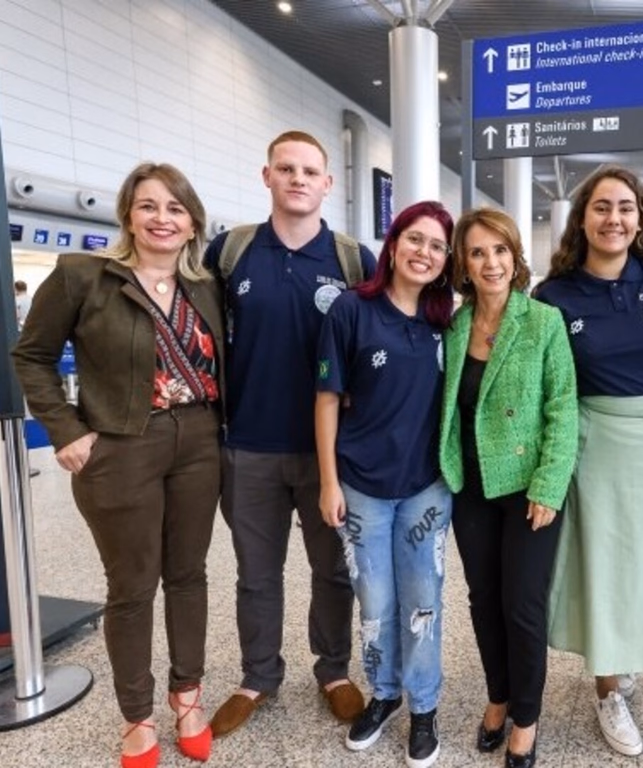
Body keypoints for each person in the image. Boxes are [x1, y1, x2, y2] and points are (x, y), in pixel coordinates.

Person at [13, 162, 224, 768]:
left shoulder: (204, 285)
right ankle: (137, 716)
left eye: (176, 209)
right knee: (131, 587)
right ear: (128, 213)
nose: (163, 218)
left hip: (201, 440)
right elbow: (32, 356)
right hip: (121, 447)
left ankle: (189, 696)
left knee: (188, 575)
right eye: (149, 206)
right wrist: (66, 431)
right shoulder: (85, 277)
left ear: (192, 224)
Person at [206, 131, 377, 738]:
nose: (298, 179)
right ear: (267, 176)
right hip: (248, 445)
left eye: (310, 170)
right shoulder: (231, 253)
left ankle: (332, 670)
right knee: (257, 572)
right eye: (287, 168)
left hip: (329, 452)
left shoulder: (355, 261)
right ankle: (258, 676)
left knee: (333, 570)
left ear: (328, 183)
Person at [534, 166, 643, 758]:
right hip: (595, 444)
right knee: (605, 564)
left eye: (626, 208)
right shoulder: (553, 295)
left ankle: (629, 654)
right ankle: (607, 687)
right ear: (582, 219)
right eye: (602, 207)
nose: (614, 219)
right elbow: (543, 383)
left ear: (642, 218)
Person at [315, 201, 454, 768]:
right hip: (363, 486)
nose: (425, 252)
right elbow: (326, 400)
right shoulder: (352, 311)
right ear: (393, 245)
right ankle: (386, 693)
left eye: (437, 246)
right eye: (415, 240)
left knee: (423, 602)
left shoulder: (447, 321)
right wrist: (328, 481)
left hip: (426, 486)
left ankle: (423, 705)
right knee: (375, 603)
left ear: (445, 261)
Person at [439, 208, 578, 768]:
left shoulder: (543, 321)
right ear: (463, 265)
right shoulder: (452, 327)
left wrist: (549, 484)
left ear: (514, 256)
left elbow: (563, 407)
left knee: (521, 606)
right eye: (477, 252)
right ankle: (497, 696)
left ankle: (526, 715)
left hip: (527, 489)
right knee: (482, 600)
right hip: (469, 486)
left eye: (499, 250)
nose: (490, 262)